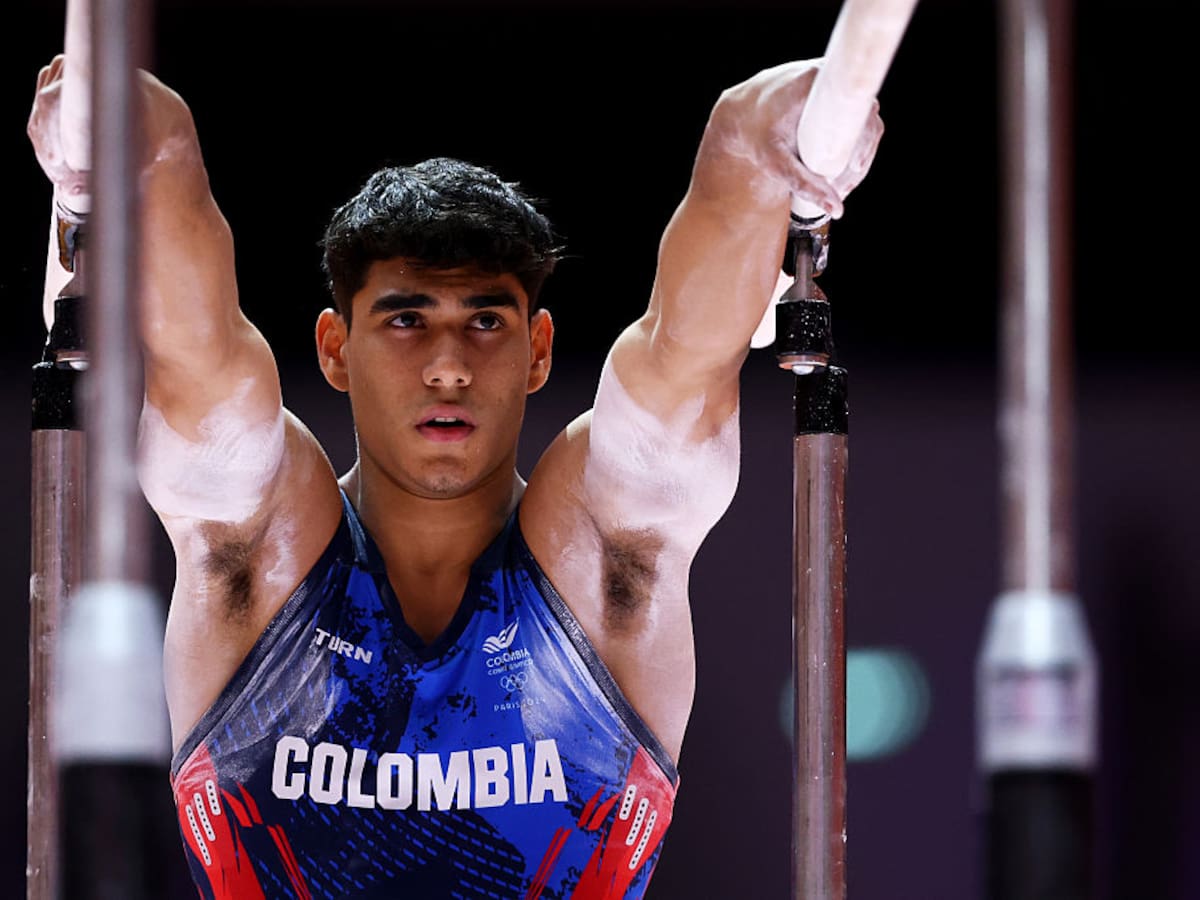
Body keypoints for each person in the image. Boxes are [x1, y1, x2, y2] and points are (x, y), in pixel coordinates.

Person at [28, 52, 881, 898]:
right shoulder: (249, 554)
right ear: (334, 349)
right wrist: (120, 125)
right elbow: (194, 341)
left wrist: (769, 135)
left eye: (485, 320)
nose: (447, 366)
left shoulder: (611, 557)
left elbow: (685, 361)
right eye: (406, 319)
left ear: (538, 350)